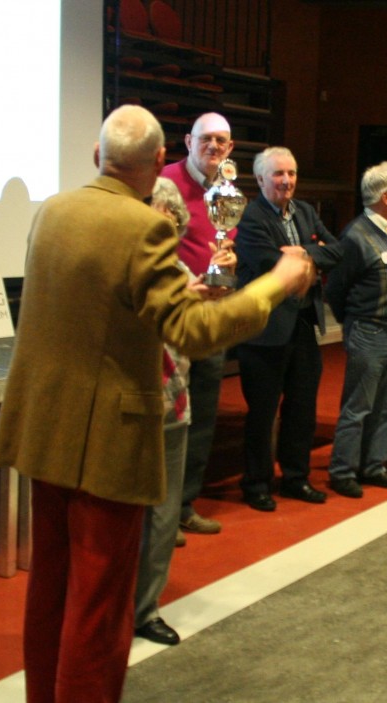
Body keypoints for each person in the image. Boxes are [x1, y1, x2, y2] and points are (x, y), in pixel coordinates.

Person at [0, 105, 312, 703]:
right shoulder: (142, 225)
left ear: (97, 152)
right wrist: (274, 286)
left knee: (51, 593)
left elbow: (94, 303)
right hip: (105, 433)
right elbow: (195, 332)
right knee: (101, 607)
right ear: (160, 157)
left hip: (46, 427)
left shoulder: (52, 210)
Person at [131, 177, 221, 648]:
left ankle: (146, 609)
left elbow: (198, 321)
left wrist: (212, 289)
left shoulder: (180, 271)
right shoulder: (130, 265)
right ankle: (118, 608)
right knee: (126, 517)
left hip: (174, 404)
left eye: (169, 219)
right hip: (129, 410)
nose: (162, 225)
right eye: (155, 216)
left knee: (164, 520)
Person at [235, 147, 344, 511]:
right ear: (262, 179)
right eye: (278, 174)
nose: (286, 181)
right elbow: (270, 263)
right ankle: (256, 484)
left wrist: (300, 256)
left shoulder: (307, 211)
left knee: (302, 408)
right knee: (263, 414)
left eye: (292, 173)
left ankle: (295, 478)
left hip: (302, 326)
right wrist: (309, 255)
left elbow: (338, 248)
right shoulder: (250, 218)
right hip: (264, 331)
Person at [160, 113, 237, 539]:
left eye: (221, 141)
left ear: (230, 148)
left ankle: (185, 505)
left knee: (203, 414)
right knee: (167, 420)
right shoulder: (164, 182)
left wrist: (231, 264)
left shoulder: (227, 190)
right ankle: (161, 513)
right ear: (188, 141)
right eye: (206, 138)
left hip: (210, 315)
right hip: (171, 314)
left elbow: (226, 245)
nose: (213, 146)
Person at [325, 162, 387, 498]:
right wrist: (356, 323)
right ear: (385, 196)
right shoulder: (356, 235)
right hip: (370, 332)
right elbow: (335, 288)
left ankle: (374, 466)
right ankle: (342, 470)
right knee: (359, 406)